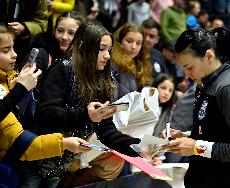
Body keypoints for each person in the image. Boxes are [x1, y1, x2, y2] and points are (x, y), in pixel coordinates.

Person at [18, 23, 140, 188]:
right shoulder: (63, 70)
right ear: (83, 47)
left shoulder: (102, 81)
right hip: (35, 160)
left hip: (60, 168)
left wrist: (139, 147)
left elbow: (106, 131)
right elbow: (46, 114)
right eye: (101, 49)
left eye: (109, 50)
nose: (107, 56)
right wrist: (85, 115)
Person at [164, 27, 230, 188]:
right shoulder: (205, 81)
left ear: (209, 56)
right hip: (202, 178)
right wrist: (186, 135)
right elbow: (217, 132)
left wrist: (196, 147)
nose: (186, 75)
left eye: (189, 67)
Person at [0, 25, 91, 163]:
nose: (15, 54)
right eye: (6, 50)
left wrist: (15, 90)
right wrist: (64, 143)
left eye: (13, 48)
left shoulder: (11, 79)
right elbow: (22, 145)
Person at [0, 0, 48, 69]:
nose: (15, 55)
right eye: (6, 51)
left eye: (12, 49)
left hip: (25, 45)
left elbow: (42, 23)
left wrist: (25, 28)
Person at [111, 23, 152, 100]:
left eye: (138, 43)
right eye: (129, 41)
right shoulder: (112, 65)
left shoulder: (142, 65)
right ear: (119, 41)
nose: (134, 47)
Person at [152, 73, 177, 138]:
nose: (167, 93)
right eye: (163, 88)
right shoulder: (143, 105)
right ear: (155, 87)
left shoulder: (170, 111)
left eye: (170, 90)